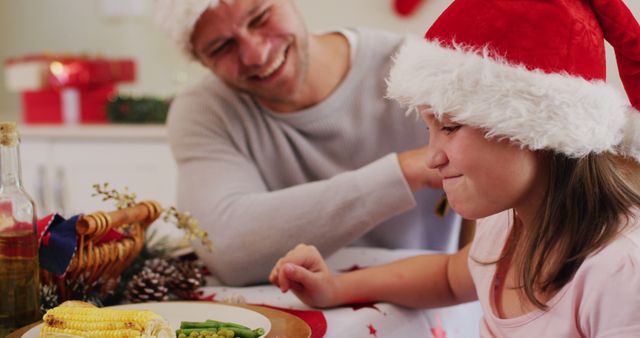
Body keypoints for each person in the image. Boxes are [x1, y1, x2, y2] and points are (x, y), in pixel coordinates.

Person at [270, 0, 640, 335]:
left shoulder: (620, 274)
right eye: (430, 130)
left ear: (537, 129)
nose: (432, 158)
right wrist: (334, 287)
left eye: (448, 127)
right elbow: (448, 277)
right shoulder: (507, 227)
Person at [152, 0, 462, 286]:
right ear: (201, 61)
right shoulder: (206, 111)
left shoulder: (421, 71)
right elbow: (227, 247)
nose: (256, 55)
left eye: (260, 17)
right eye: (221, 47)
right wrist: (405, 172)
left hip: (427, 304)